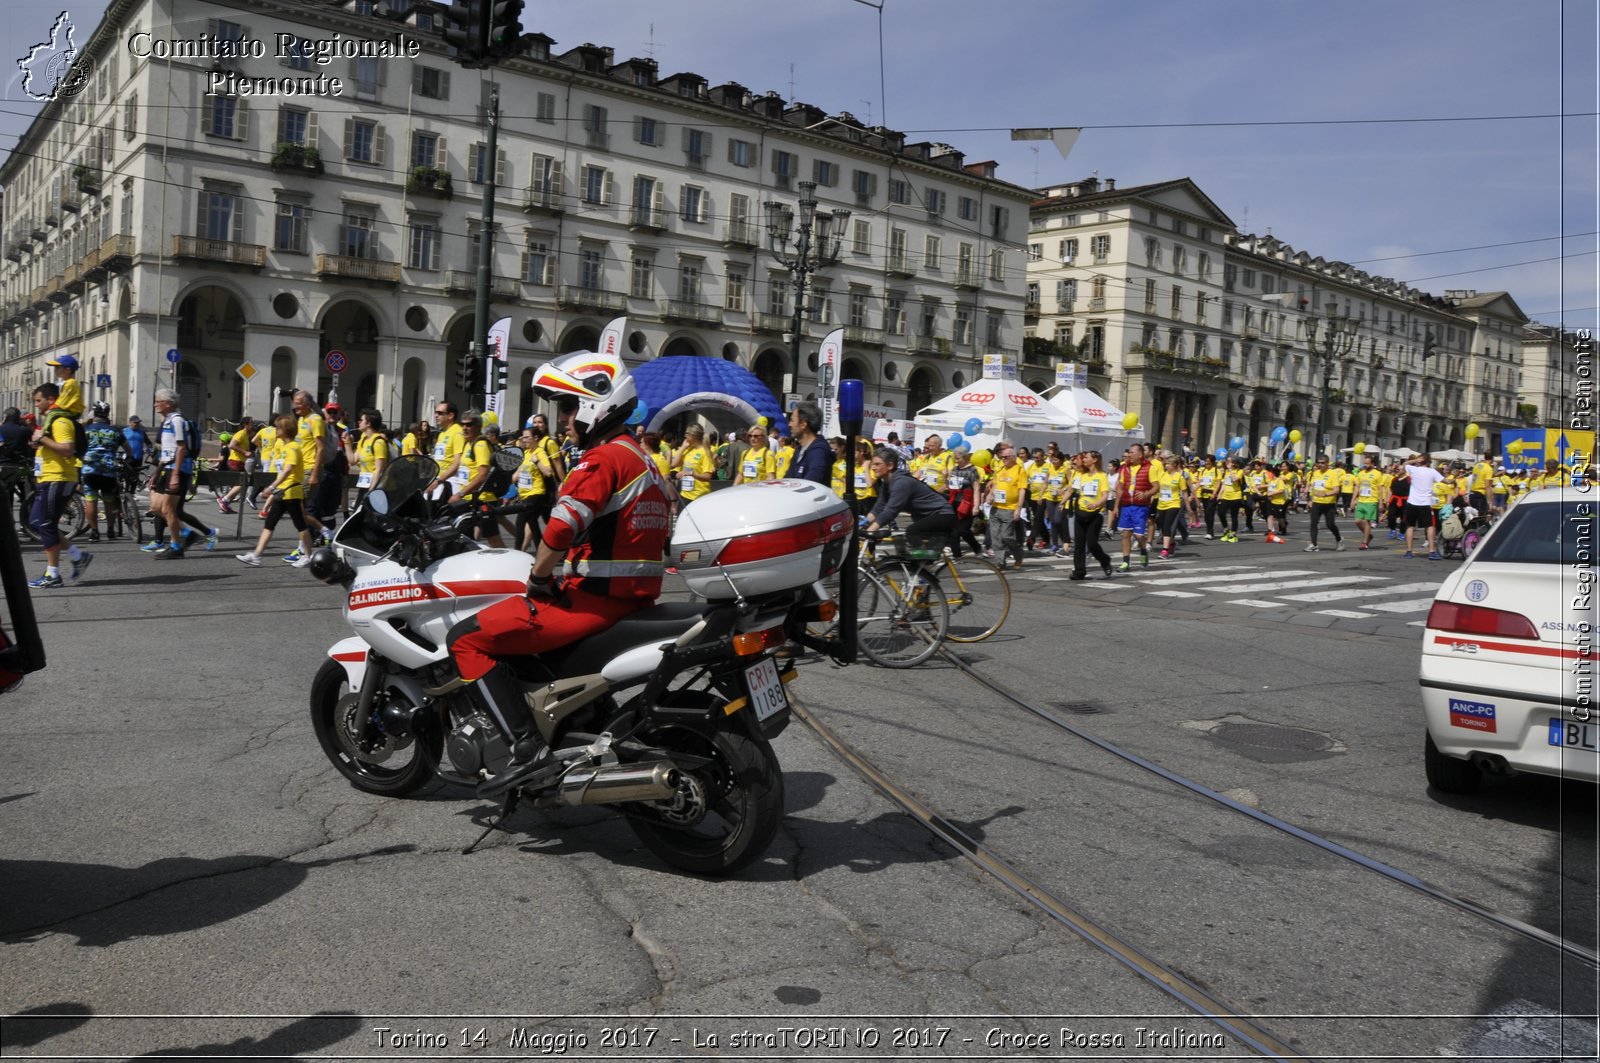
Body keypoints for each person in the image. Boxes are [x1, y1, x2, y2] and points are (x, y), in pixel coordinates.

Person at [447, 351, 671, 797]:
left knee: (465, 639)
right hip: (633, 601)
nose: (564, 419)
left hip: (591, 602)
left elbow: (559, 529)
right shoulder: (643, 459)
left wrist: (539, 577)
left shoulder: (603, 460)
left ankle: (525, 749)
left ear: (595, 403)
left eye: (568, 407)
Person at [26, 383, 91, 587]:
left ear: (51, 399)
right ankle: (77, 556)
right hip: (49, 478)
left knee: (46, 524)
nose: (36, 405)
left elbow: (67, 449)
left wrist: (43, 439)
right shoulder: (51, 420)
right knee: (37, 522)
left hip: (59, 477)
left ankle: (53, 575)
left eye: (39, 400)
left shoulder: (61, 421)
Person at [144, 388, 216, 559]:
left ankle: (176, 547)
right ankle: (187, 534)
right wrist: (157, 472)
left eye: (158, 401)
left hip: (178, 469)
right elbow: (167, 451)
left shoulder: (177, 421)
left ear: (168, 403)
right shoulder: (168, 420)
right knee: (156, 507)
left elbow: (181, 448)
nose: (155, 405)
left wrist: (176, 474)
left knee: (169, 509)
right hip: (167, 468)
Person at [236, 414, 314, 567]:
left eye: (278, 427)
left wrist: (271, 487)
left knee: (300, 526)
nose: (275, 430)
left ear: (285, 430)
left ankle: (308, 556)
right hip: (282, 491)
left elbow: (287, 471)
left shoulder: (292, 447)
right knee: (269, 524)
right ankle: (257, 555)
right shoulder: (285, 446)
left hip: (291, 492)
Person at [863, 445, 955, 542]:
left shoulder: (901, 483)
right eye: (872, 464)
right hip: (925, 516)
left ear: (890, 465)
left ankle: (925, 555)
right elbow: (879, 507)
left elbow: (891, 510)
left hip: (942, 514)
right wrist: (863, 524)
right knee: (903, 543)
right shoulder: (886, 483)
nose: (873, 468)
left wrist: (870, 530)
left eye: (877, 464)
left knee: (911, 532)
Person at [450, 412, 506, 548]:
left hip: (483, 499)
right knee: (463, 537)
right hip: (470, 500)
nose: (464, 428)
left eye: (469, 424)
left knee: (493, 538)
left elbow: (482, 474)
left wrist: (460, 494)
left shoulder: (480, 445)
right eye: (462, 424)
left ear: (478, 426)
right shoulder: (468, 444)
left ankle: (507, 562)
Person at [81, 401, 130, 541]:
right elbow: (129, 450)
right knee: (109, 501)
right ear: (107, 414)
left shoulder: (87, 430)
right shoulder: (114, 431)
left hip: (90, 470)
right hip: (108, 471)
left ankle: (95, 532)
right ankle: (110, 530)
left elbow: (79, 449)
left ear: (94, 413)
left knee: (91, 501)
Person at [1109, 443, 1160, 570]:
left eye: (1132, 452)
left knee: (1138, 535)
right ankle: (1126, 562)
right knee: (1125, 534)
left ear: (1140, 454)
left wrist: (1146, 494)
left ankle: (1143, 550)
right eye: (1129, 453)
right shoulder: (1124, 468)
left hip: (1140, 507)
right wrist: (1116, 507)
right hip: (1126, 505)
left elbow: (1156, 486)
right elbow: (1120, 489)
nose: (1129, 455)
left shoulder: (1149, 468)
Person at [1065, 451, 1113, 579]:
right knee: (1079, 544)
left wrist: (1096, 504)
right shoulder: (1082, 475)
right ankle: (1079, 571)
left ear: (1095, 460)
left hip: (1095, 515)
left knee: (1091, 543)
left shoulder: (1102, 476)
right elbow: (1072, 488)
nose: (1084, 460)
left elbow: (1105, 496)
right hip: (1081, 513)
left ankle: (1105, 560)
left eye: (1087, 458)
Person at [984, 443, 1029, 569]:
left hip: (1010, 508)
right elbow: (995, 485)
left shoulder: (1019, 470)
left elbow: (1022, 490)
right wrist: (990, 495)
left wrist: (1018, 509)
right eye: (1002, 457)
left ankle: (1018, 554)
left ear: (1013, 457)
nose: (1003, 460)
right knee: (996, 537)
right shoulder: (999, 470)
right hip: (996, 508)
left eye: (1006, 457)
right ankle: (1000, 562)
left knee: (1006, 537)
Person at [1402, 453, 1445, 559]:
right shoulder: (1432, 472)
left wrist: (1415, 460)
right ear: (1429, 462)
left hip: (1412, 502)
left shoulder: (1413, 469)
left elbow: (1404, 464)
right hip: (1425, 503)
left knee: (1410, 526)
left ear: (1420, 461)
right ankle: (1431, 552)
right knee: (1430, 526)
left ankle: (1409, 551)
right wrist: (1453, 481)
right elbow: (1445, 480)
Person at [345, 408, 390, 510]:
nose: (359, 422)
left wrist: (371, 492)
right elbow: (352, 461)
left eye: (361, 420)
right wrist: (347, 444)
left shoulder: (379, 442)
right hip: (364, 485)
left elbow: (379, 469)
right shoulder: (364, 439)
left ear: (368, 423)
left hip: (376, 487)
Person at [1304, 455, 1347, 551]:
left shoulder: (1333, 474)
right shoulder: (1316, 473)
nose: (1320, 464)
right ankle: (1314, 544)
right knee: (1313, 523)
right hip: (1317, 502)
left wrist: (1326, 494)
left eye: (1323, 463)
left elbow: (1336, 490)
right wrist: (1309, 499)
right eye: (1319, 462)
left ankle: (1339, 540)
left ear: (1327, 463)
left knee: (1330, 524)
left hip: (1329, 504)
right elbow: (1312, 487)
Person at [786, 402, 833, 486]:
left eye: (792, 420)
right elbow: (788, 479)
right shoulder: (799, 450)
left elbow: (811, 483)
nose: (789, 424)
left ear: (803, 424)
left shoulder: (818, 452)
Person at [1352, 454, 1385, 550]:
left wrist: (1381, 502)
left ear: (1372, 464)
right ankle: (1368, 535)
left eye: (1368, 463)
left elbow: (1380, 488)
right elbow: (1357, 487)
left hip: (1372, 501)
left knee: (1367, 522)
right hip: (1361, 500)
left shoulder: (1377, 474)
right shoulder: (1361, 473)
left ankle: (1365, 542)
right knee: (1357, 521)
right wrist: (1353, 500)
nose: (1366, 465)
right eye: (1364, 463)